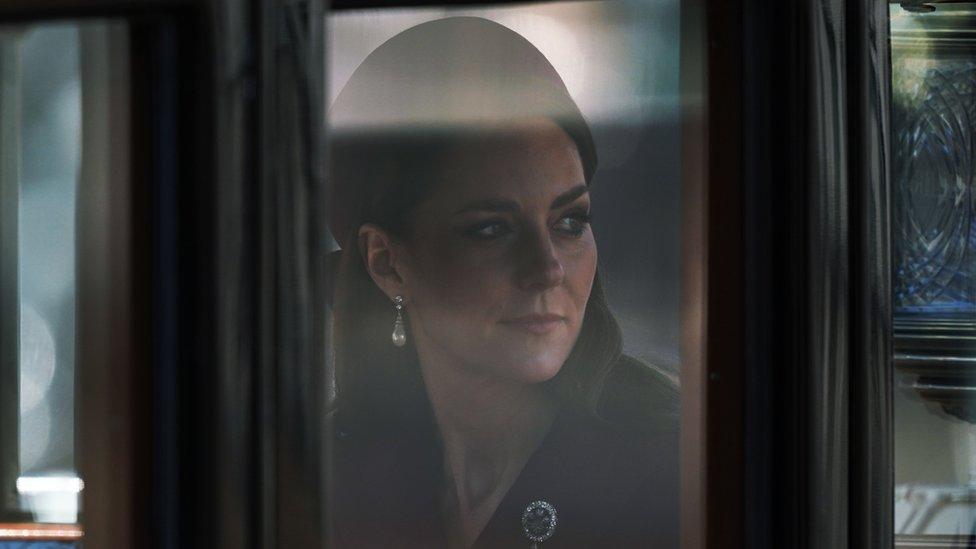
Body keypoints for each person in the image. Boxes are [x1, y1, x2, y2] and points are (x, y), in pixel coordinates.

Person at [325, 16, 678, 548]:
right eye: (491, 229)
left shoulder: (680, 470)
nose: (547, 268)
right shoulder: (332, 475)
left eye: (569, 222)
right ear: (387, 263)